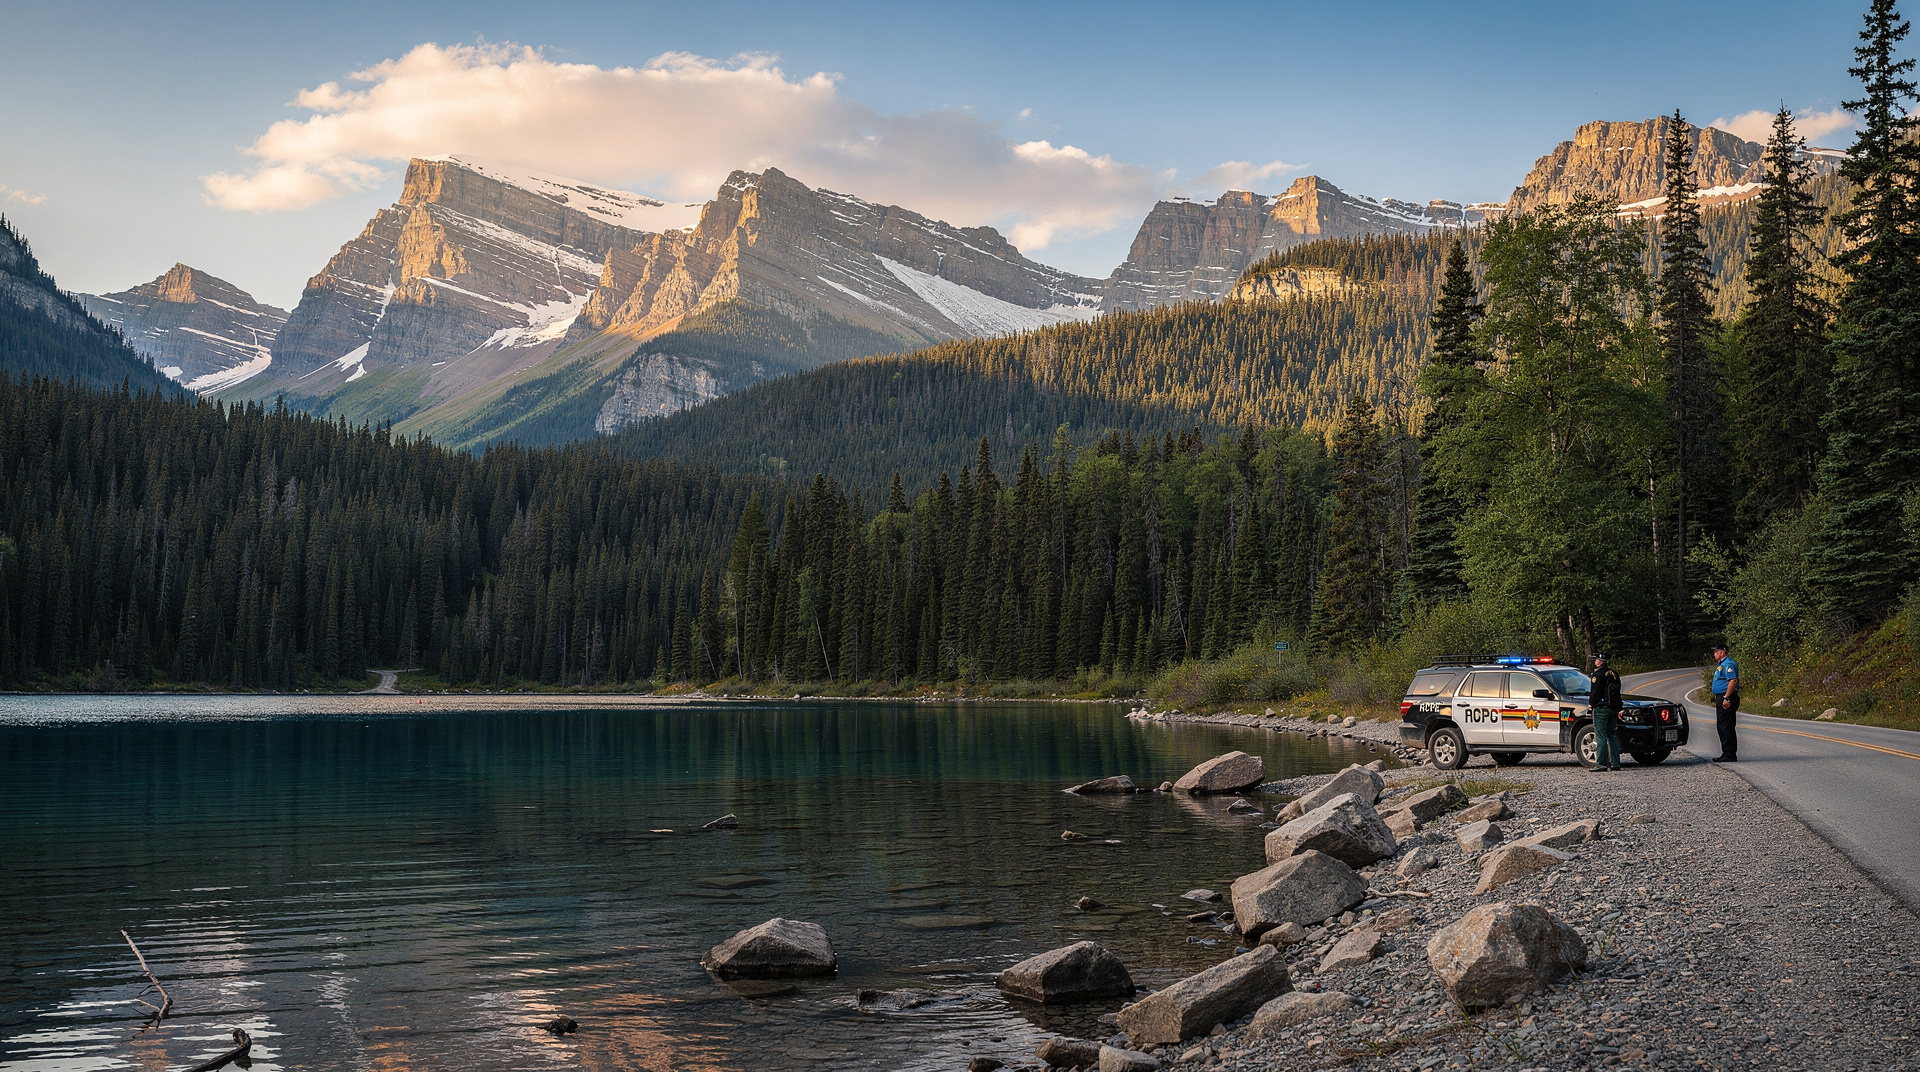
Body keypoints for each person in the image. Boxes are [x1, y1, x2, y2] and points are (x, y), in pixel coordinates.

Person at [1590, 652, 1622, 772]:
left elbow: (1595, 692)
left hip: (1601, 709)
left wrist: (1590, 705)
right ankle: (1615, 763)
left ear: (1600, 661)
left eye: (1596, 659)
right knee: (1612, 736)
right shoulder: (1614, 674)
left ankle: (1601, 763)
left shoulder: (1597, 674)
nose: (1595, 661)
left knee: (1601, 736)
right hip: (1613, 708)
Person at [1710, 643, 1740, 762]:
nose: (1714, 654)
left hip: (1727, 697)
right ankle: (1727, 752)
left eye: (1716, 651)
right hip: (1722, 696)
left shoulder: (1728, 664)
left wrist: (1726, 697)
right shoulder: (1722, 664)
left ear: (1722, 652)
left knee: (1726, 725)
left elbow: (1733, 680)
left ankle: (1729, 753)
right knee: (1723, 724)